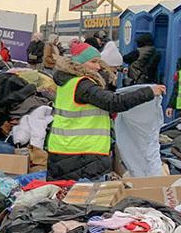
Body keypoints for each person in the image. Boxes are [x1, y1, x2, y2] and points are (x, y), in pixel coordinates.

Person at [48, 42, 165, 181]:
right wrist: (149, 92)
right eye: (94, 62)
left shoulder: (68, 83)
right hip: (82, 153)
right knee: (87, 198)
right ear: (79, 64)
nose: (98, 67)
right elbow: (113, 103)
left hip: (66, 149)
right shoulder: (82, 84)